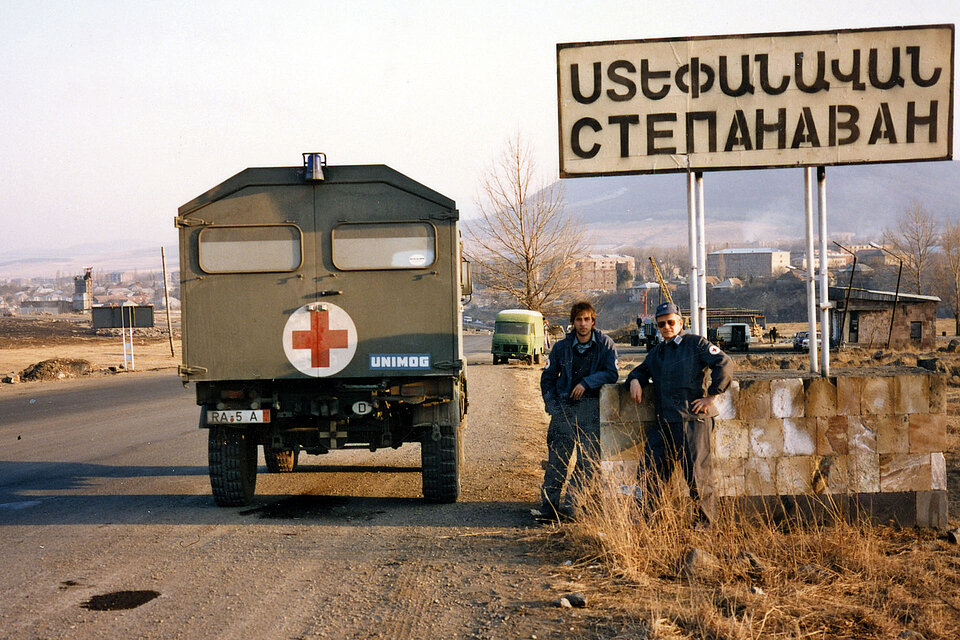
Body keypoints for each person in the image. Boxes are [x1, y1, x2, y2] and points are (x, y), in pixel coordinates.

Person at [625, 302, 733, 526]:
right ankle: (649, 523)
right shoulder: (657, 353)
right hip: (664, 423)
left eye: (671, 322)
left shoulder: (695, 344)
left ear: (680, 323)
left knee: (697, 477)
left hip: (692, 421)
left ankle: (705, 526)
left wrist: (712, 395)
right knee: (650, 473)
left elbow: (724, 362)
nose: (666, 327)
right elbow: (641, 370)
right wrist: (635, 380)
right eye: (661, 324)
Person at [539, 301, 619, 521]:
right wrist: (552, 405)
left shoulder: (605, 344)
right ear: (572, 322)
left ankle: (573, 505)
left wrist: (586, 382)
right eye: (578, 320)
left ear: (593, 321)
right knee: (558, 459)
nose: (583, 324)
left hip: (592, 409)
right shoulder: (561, 347)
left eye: (587, 319)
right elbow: (547, 378)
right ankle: (549, 507)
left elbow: (611, 374)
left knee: (588, 461)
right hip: (564, 409)